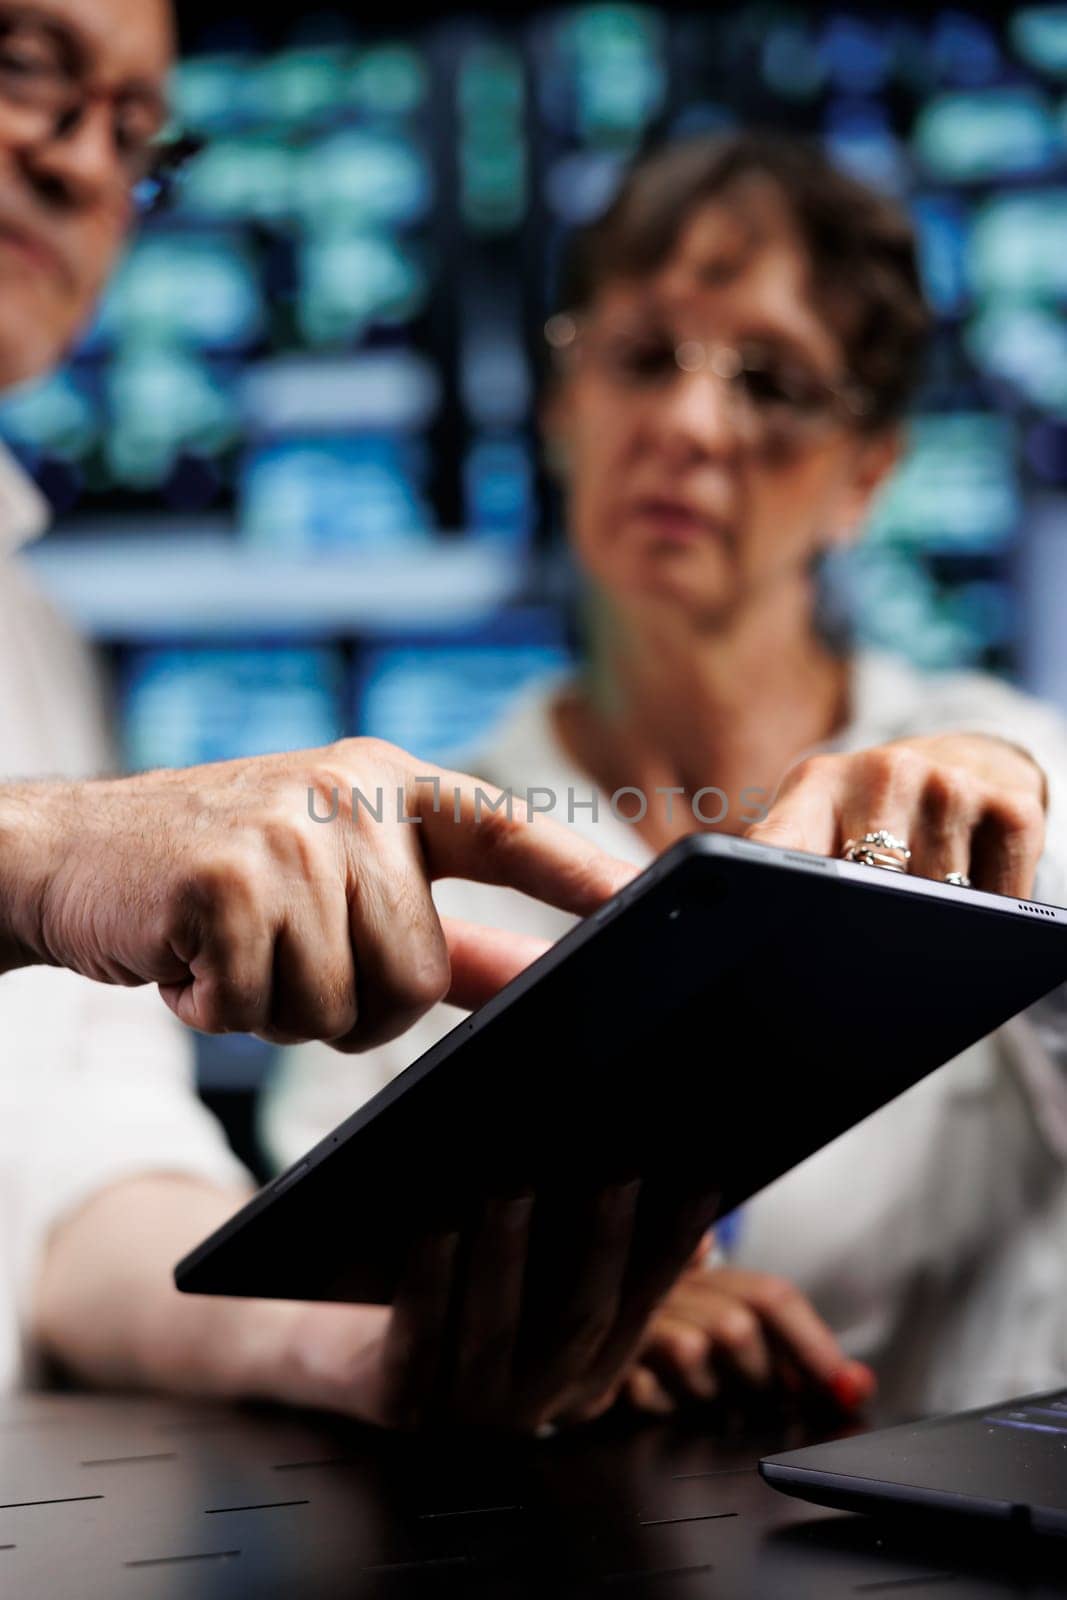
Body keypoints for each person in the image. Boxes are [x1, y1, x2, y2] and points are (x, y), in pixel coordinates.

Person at [261, 132, 1067, 1423]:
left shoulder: (1008, 766)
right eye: (642, 360)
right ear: (562, 408)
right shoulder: (415, 836)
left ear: (868, 474)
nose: (692, 425)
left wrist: (1014, 809)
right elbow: (321, 1276)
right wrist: (561, 1301)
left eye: (773, 382)